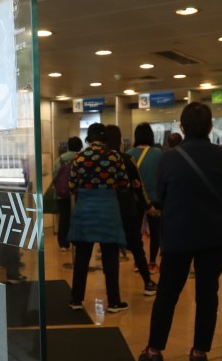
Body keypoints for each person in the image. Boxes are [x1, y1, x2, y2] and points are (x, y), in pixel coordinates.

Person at [139, 103, 222, 361]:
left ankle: (155, 351)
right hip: (215, 234)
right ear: (210, 127)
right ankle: (199, 354)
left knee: (168, 293)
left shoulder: (169, 158)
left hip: (179, 233)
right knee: (208, 293)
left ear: (181, 128)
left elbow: (159, 196)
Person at [66, 122, 129, 313]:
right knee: (110, 258)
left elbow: (71, 185)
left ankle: (76, 299)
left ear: (89, 138)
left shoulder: (79, 157)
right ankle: (113, 302)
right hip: (108, 211)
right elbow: (124, 184)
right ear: (105, 139)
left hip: (85, 210)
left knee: (82, 258)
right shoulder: (114, 156)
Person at [104, 125, 156, 296]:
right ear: (119, 140)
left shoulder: (100, 160)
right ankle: (148, 283)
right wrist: (148, 206)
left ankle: (113, 294)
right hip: (127, 209)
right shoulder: (126, 158)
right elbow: (139, 187)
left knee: (109, 251)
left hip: (108, 210)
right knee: (136, 246)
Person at [128, 122, 163, 275]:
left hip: (135, 200)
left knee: (135, 232)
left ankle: (138, 262)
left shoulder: (129, 154)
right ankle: (152, 263)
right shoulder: (159, 154)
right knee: (155, 232)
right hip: (155, 199)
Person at [53, 136, 82, 250]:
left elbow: (55, 175)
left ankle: (63, 243)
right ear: (80, 147)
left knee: (64, 218)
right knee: (78, 217)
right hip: (78, 193)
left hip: (62, 193)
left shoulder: (60, 159)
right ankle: (77, 241)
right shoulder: (81, 158)